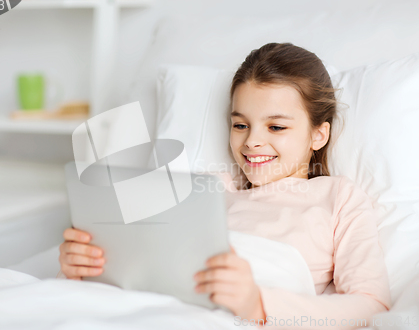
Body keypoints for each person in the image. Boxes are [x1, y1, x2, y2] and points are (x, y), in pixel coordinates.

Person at [58, 43, 391, 329]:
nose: (252, 141)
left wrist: (259, 305)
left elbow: (371, 305)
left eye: (275, 127)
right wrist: (88, 264)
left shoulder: (338, 198)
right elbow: (150, 266)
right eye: (240, 124)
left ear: (319, 134)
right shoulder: (208, 190)